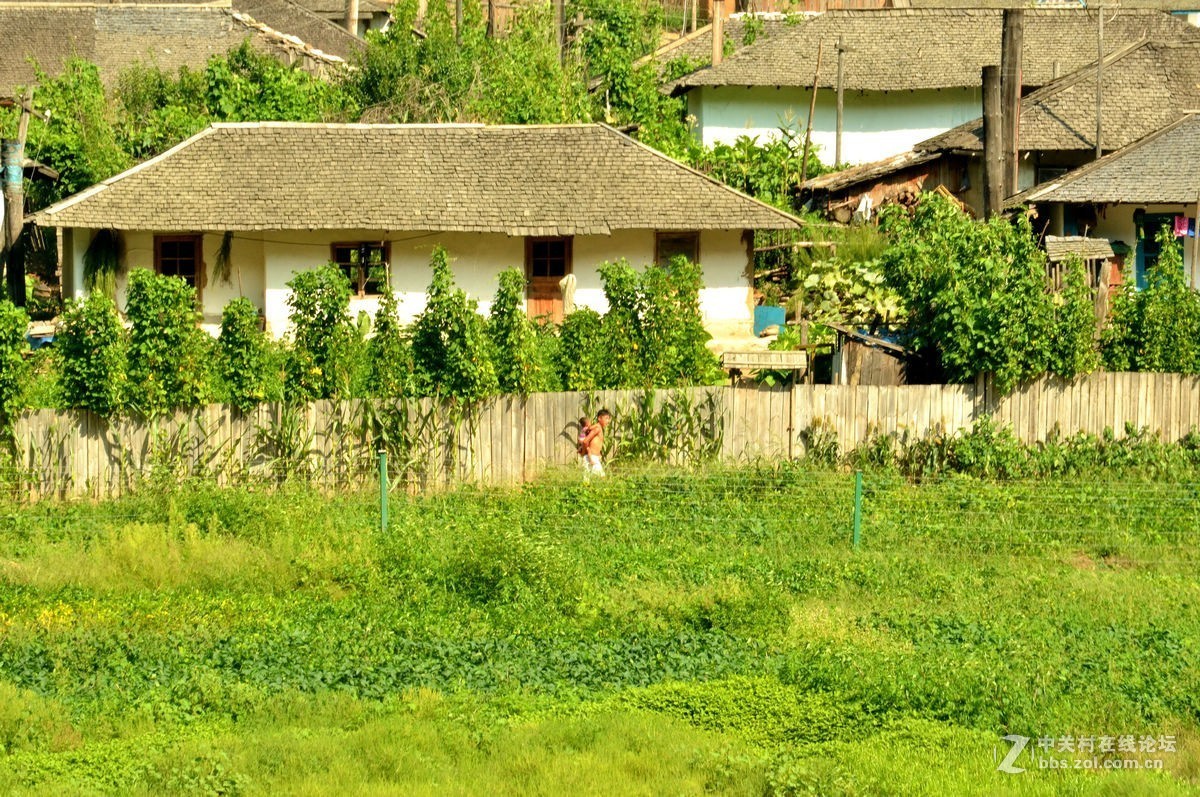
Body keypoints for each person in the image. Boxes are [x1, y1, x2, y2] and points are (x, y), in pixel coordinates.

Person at [580, 409, 611, 477]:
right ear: (599, 418)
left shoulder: (599, 428)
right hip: (591, 458)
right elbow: (585, 441)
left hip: (593, 457)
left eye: (609, 419)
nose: (608, 421)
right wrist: (584, 453)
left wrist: (598, 454)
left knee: (586, 481)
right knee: (602, 478)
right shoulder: (597, 429)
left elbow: (593, 443)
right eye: (606, 418)